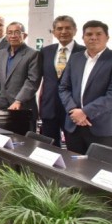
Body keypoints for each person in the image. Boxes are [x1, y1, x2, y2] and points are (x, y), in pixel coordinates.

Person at [58, 20, 112, 154]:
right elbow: (64, 88)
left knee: (99, 166)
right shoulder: (75, 58)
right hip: (74, 126)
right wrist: (73, 110)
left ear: (107, 37)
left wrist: (85, 112)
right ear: (83, 38)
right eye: (89, 34)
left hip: (102, 128)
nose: (93, 37)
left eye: (98, 34)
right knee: (73, 165)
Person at [0, 22, 40, 131]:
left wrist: (18, 101)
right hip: (3, 107)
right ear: (6, 36)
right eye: (10, 33)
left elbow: (32, 81)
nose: (13, 36)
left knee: (23, 140)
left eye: (17, 32)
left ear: (24, 35)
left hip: (23, 108)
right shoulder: (2, 53)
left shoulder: (33, 54)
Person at [39, 15, 84, 147]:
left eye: (67, 28)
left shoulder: (84, 52)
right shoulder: (45, 51)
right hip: (49, 107)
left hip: (73, 108)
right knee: (48, 148)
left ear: (75, 30)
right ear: (54, 32)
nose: (63, 31)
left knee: (73, 148)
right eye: (59, 28)